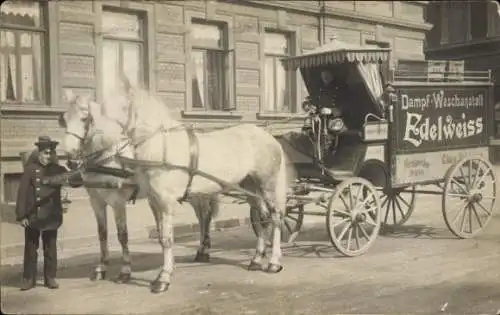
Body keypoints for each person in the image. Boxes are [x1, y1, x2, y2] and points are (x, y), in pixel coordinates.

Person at [16, 136, 68, 291]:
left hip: (52, 215)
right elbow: (22, 193)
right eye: (45, 153)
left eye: (51, 153)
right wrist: (21, 215)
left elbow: (74, 181)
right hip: (33, 215)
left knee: (50, 248)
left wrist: (76, 167)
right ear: (39, 153)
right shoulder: (31, 169)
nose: (48, 156)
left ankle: (50, 277)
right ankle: (28, 278)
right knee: (31, 249)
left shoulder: (57, 169)